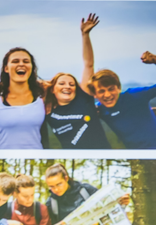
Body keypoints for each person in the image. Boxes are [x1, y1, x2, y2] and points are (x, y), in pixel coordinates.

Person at [86, 25, 156, 150]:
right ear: (95, 94)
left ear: (119, 88)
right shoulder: (100, 110)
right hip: (138, 157)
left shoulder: (134, 96)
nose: (107, 95)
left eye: (111, 89)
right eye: (101, 91)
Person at [45, 16, 109, 151]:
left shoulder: (83, 98)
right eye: (61, 83)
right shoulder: (47, 109)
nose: (67, 86)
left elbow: (88, 64)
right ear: (53, 89)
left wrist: (85, 35)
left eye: (71, 84)